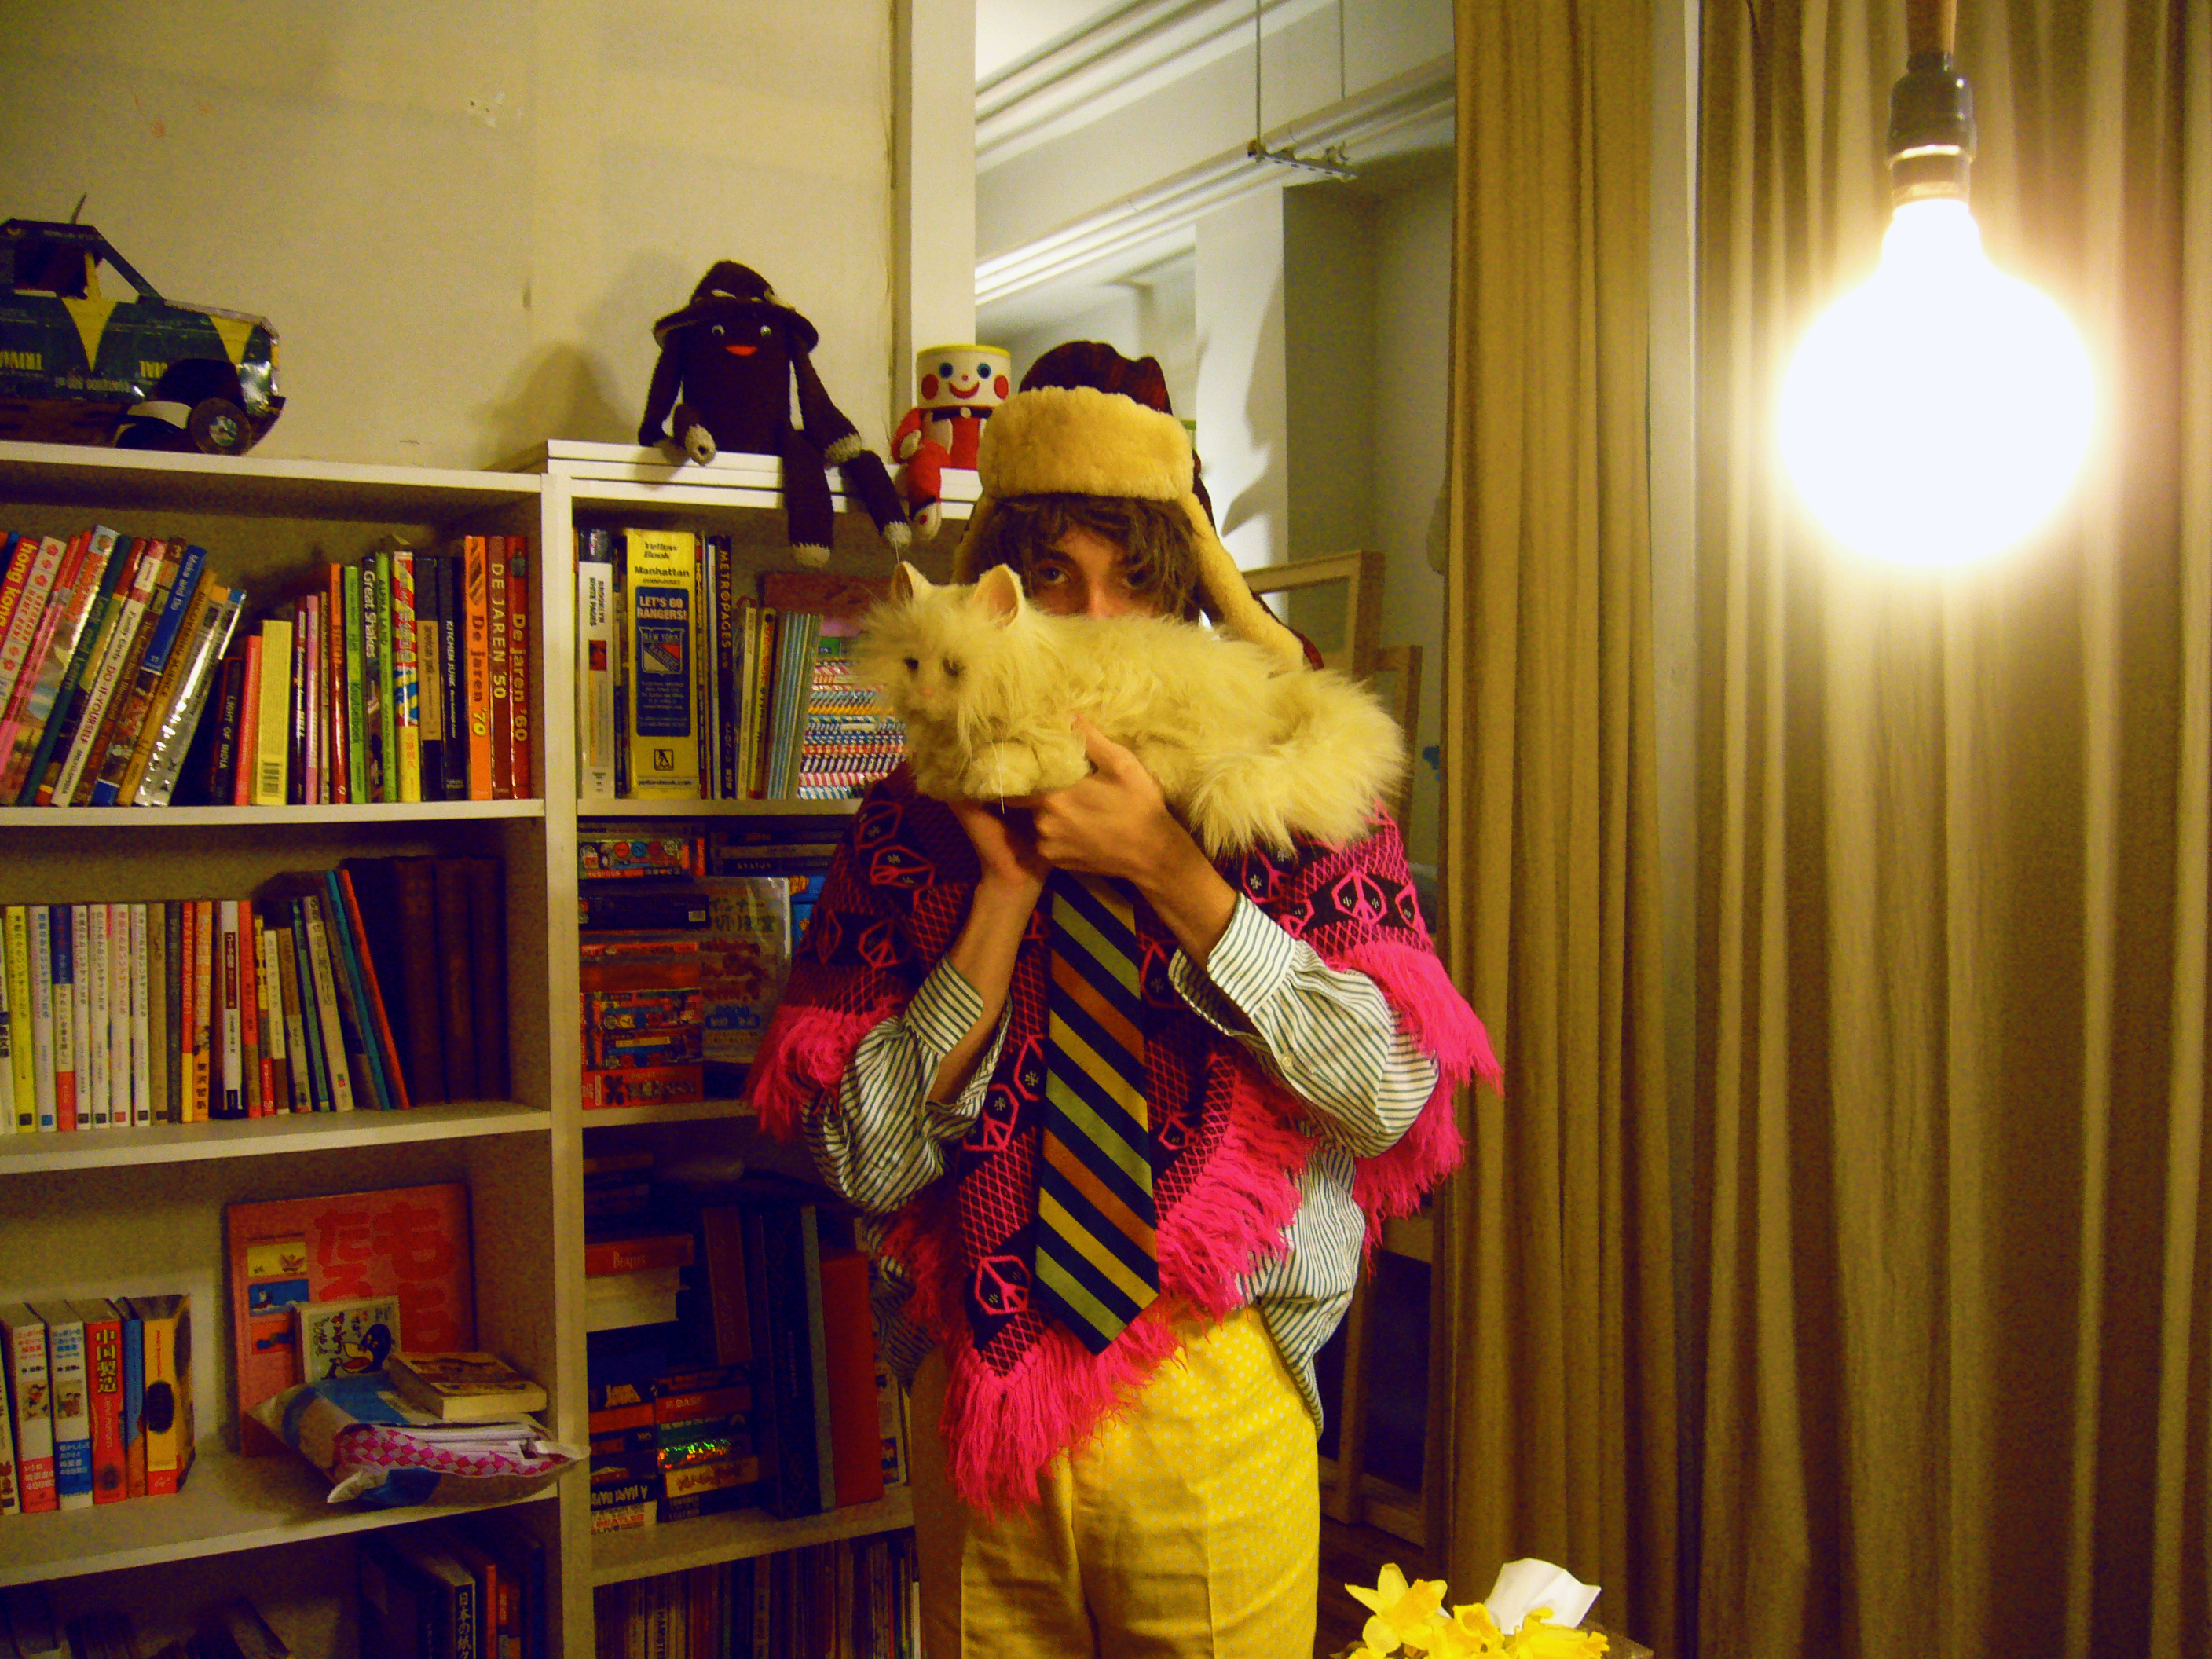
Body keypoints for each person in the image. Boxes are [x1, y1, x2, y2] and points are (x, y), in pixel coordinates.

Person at [749, 342, 1497, 1657]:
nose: (1097, 619)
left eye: (1137, 582)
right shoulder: (908, 824)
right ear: (998, 595)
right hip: (977, 1392)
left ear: (1189, 592)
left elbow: (1388, 1095)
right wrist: (1000, 900)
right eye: (1053, 579)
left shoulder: (1296, 794)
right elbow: (863, 1162)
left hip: (1217, 1372)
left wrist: (1170, 869)